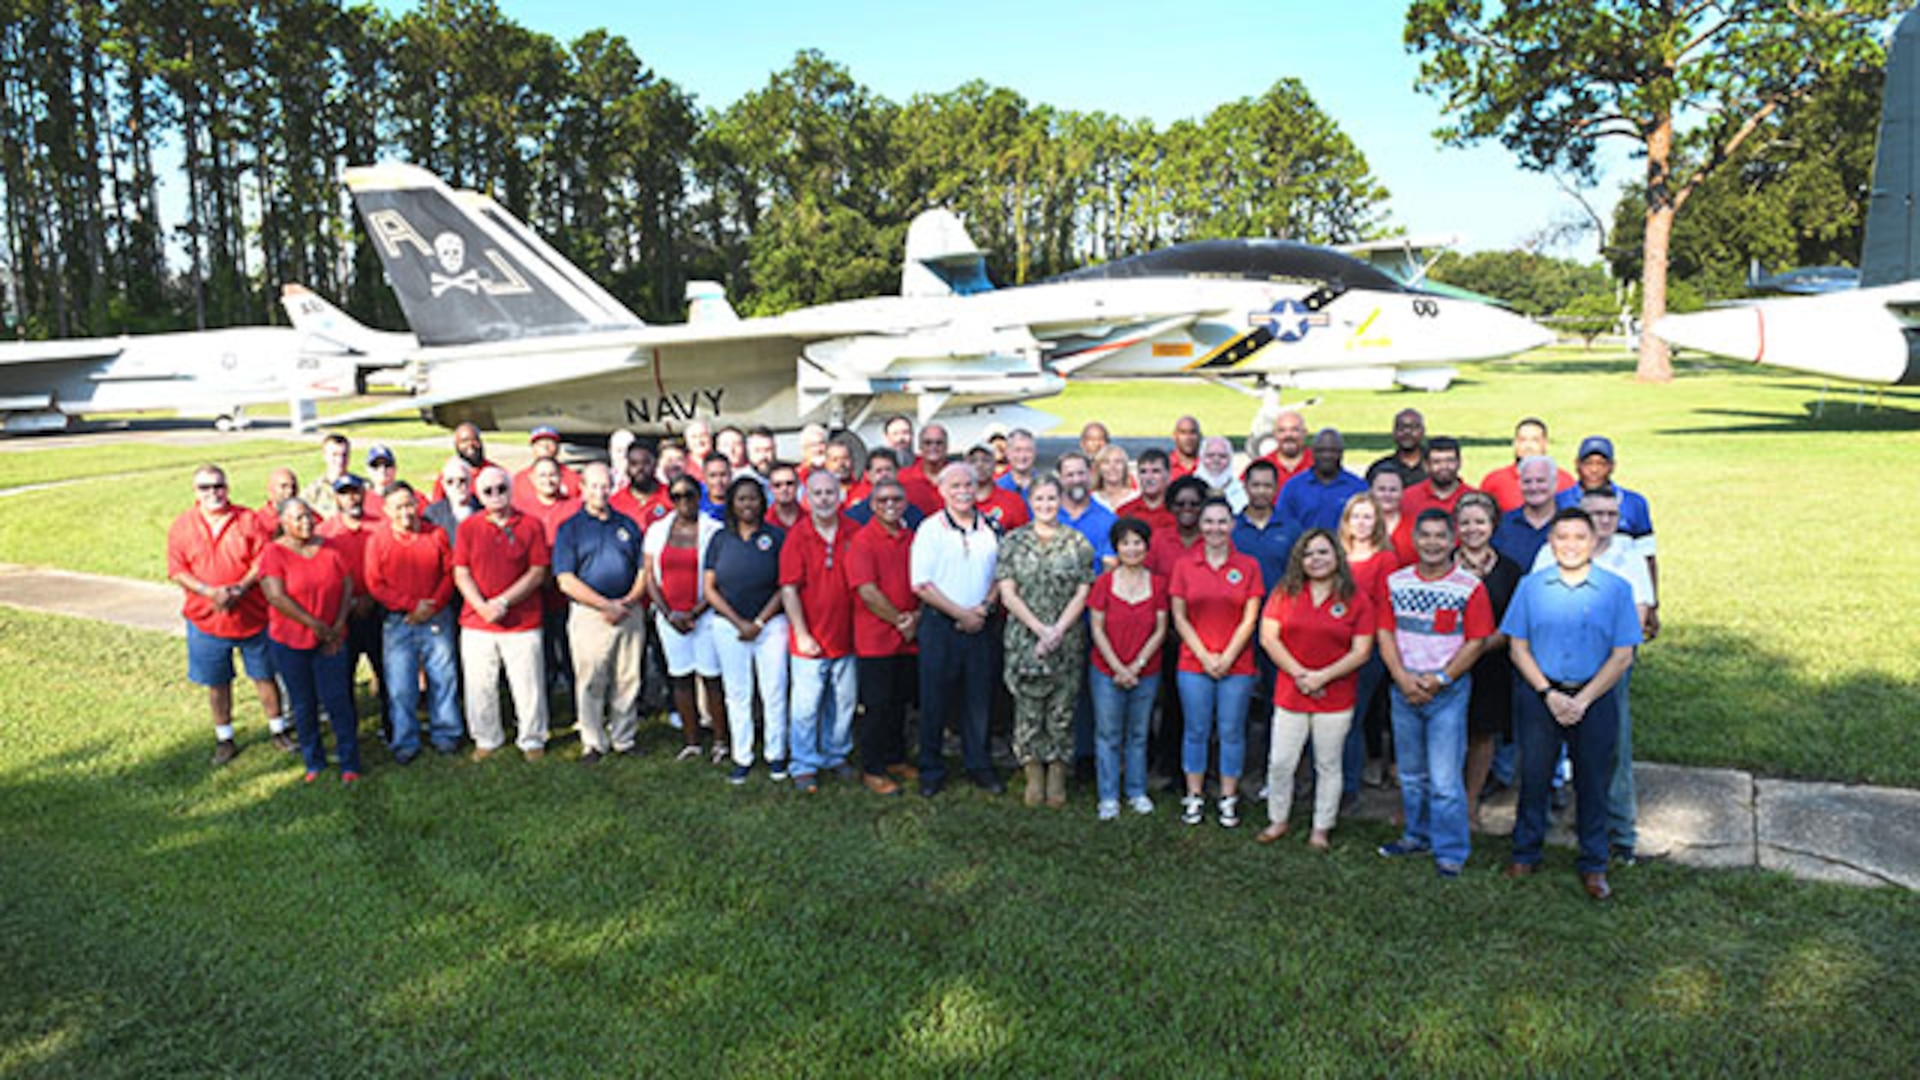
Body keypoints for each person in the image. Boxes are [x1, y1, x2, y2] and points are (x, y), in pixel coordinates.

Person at [1503, 507, 1641, 901]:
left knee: (1593, 781)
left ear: (1594, 542)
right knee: (1534, 776)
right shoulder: (1532, 587)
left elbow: (1622, 656)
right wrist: (1548, 693)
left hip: (1593, 698)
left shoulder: (1616, 590)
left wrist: (1581, 699)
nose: (1570, 546)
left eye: (1580, 538)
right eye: (1562, 537)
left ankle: (1594, 863)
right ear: (1551, 542)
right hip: (1541, 695)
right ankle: (1525, 852)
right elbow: (1517, 647)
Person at [1533, 486, 1656, 861]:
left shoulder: (1628, 555)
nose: (1604, 522)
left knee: (1612, 751)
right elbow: (1537, 611)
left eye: (1611, 515)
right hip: (1555, 668)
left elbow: (1634, 623)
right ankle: (1546, 816)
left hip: (1606, 671)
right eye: (1595, 515)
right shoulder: (1551, 551)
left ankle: (1620, 830)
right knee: (1545, 748)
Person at [1375, 509, 1494, 878]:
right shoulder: (1396, 582)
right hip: (1404, 687)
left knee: (1444, 779)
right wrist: (1401, 676)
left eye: (1439, 536)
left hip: (1447, 692)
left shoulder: (1469, 587)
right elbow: (1384, 633)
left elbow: (1476, 641)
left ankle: (1450, 850)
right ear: (1413, 540)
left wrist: (1441, 678)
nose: (1431, 543)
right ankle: (1416, 835)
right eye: (1424, 535)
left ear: (1453, 539)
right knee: (1410, 774)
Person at [1256, 528, 1375, 849]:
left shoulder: (1355, 598)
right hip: (1291, 692)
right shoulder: (1285, 591)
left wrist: (1321, 678)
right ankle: (1278, 819)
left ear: (1337, 556)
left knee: (1328, 763)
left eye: (1323, 552)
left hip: (1334, 697)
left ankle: (1321, 827)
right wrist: (1300, 675)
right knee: (1281, 761)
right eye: (1308, 553)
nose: (1316, 559)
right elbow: (1269, 637)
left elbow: (1362, 650)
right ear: (1299, 560)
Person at [167, 464, 289, 764]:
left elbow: (263, 560)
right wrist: (211, 593)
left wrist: (240, 589)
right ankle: (225, 738)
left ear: (227, 487)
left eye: (218, 486)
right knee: (217, 682)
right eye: (205, 488)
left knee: (265, 676)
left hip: (251, 616)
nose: (213, 493)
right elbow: (177, 570)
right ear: (195, 492)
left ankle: (278, 730)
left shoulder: (247, 519)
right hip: (206, 620)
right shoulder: (182, 525)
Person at [994, 475, 1096, 808]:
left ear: (1061, 501)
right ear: (1030, 502)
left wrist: (1057, 630)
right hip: (1026, 637)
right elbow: (1007, 593)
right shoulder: (1012, 542)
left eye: (1052, 499)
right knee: (1028, 708)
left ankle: (1057, 772)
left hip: (1065, 639)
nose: (1046, 506)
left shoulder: (1077, 543)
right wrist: (1040, 629)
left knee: (1062, 708)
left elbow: (1084, 590)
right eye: (1039, 499)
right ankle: (1032, 771)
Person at [1168, 498, 1263, 828]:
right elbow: (1179, 617)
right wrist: (1206, 656)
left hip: (1237, 665)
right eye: (1209, 522)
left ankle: (1227, 798)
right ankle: (1194, 796)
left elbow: (1250, 618)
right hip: (1195, 662)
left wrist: (1227, 655)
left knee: (1231, 731)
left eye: (1222, 522)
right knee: (1195, 730)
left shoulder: (1248, 565)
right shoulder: (1184, 564)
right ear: (1200, 525)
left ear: (1232, 525)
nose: (1215, 529)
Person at [910, 463, 1003, 796]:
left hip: (981, 624)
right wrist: (961, 614)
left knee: (978, 701)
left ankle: (979, 765)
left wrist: (984, 608)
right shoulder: (930, 529)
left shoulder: (990, 528)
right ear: (942, 490)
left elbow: (1000, 576)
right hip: (941, 625)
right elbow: (921, 584)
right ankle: (931, 770)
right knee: (934, 701)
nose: (963, 491)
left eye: (969, 485)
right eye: (955, 486)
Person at [258, 497, 360, 783]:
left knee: (338, 700)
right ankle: (314, 761)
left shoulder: (330, 548)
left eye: (308, 517)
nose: (306, 522)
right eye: (297, 518)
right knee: (304, 704)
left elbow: (347, 585)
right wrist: (315, 624)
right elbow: (276, 596)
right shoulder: (273, 553)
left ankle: (349, 762)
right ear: (283, 522)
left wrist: (338, 625)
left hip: (332, 639)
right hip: (291, 642)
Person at [452, 466, 551, 762]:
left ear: (511, 489)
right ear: (478, 495)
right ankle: (486, 737)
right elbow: (461, 571)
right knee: (479, 684)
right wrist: (481, 606)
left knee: (528, 685)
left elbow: (537, 572)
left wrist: (504, 602)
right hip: (477, 621)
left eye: (501, 489)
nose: (496, 495)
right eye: (488, 491)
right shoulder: (468, 527)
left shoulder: (531, 525)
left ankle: (532, 738)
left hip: (522, 621)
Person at [554, 463, 649, 764]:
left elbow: (643, 569)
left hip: (629, 610)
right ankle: (593, 742)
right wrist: (604, 605)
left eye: (605, 485)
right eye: (593, 486)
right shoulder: (570, 529)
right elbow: (565, 579)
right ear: (582, 489)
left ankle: (624, 737)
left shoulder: (628, 524)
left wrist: (628, 601)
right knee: (592, 679)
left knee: (628, 676)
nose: (600, 491)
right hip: (590, 615)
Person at [363, 481, 461, 762]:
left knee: (443, 678)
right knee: (400, 685)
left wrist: (432, 605)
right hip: (399, 620)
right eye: (398, 507)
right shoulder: (378, 541)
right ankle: (405, 740)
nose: (406, 512)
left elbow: (448, 572)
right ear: (386, 510)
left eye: (410, 505)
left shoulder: (436, 534)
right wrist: (410, 606)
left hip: (436, 615)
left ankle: (447, 734)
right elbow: (375, 583)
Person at [704, 475, 789, 779]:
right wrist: (739, 622)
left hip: (771, 625)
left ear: (762, 502)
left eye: (753, 498)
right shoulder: (719, 539)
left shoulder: (776, 537)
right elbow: (710, 588)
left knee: (774, 690)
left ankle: (776, 754)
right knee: (737, 692)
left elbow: (785, 587)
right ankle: (743, 756)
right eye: (741, 499)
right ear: (732, 503)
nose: (747, 504)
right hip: (729, 627)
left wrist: (759, 622)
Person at [780, 470, 860, 792]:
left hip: (848, 637)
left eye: (830, 492)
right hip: (810, 640)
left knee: (843, 704)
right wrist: (801, 633)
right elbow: (789, 589)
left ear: (840, 496)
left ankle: (835, 754)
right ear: (807, 498)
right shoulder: (797, 536)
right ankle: (803, 762)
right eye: (818, 493)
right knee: (806, 706)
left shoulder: (855, 532)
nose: (825, 499)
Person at [1087, 517, 1168, 819]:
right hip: (1107, 671)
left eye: (1137, 542)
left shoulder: (1158, 584)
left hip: (1145, 671)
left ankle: (1136, 790)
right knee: (1108, 734)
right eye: (1125, 543)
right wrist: (1118, 666)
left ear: (1146, 547)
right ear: (1116, 547)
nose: (1132, 549)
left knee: (1138, 733)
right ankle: (1108, 796)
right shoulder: (1104, 583)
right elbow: (1097, 628)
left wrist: (1137, 665)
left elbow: (1161, 629)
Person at [1453, 492, 1523, 827]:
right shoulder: (1443, 564)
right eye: (1465, 522)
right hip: (1446, 663)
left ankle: (1469, 802)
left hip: (1492, 663)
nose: (1472, 529)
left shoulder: (1509, 571)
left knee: (1482, 733)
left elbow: (1515, 623)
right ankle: (1439, 799)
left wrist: (1477, 647)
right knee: (1447, 734)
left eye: (1479, 521)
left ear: (1493, 525)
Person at [847, 478, 921, 796]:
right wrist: (900, 620)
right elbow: (867, 591)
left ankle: (895, 757)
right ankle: (873, 768)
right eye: (882, 500)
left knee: (899, 704)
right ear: (872, 505)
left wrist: (915, 618)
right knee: (876, 706)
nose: (890, 505)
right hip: (876, 639)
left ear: (904, 503)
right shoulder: (862, 541)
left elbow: (926, 580)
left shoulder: (914, 538)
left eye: (896, 499)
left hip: (909, 639)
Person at [646, 476, 726, 762]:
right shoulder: (657, 530)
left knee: (711, 678)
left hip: (703, 616)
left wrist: (695, 612)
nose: (683, 502)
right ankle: (691, 741)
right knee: (680, 678)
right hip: (670, 618)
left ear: (699, 497)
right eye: (676, 496)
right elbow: (649, 575)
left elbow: (719, 578)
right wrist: (668, 613)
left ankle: (719, 740)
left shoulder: (714, 530)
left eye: (689, 495)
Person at [1338, 491, 1399, 803]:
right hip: (1330, 646)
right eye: (1356, 517)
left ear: (1377, 523)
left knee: (1351, 717)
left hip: (1366, 648)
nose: (1361, 524)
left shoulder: (1385, 559)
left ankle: (1348, 787)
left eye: (1367, 517)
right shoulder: (1335, 555)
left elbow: (1385, 609)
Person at [1558, 436, 1659, 623]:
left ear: (1612, 466)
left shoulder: (1634, 502)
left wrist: (1652, 605)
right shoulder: (1561, 501)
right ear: (1577, 464)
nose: (1594, 469)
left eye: (1602, 463)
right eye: (1588, 463)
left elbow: (1648, 556)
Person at [316, 475, 384, 733]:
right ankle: (347, 733)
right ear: (336, 498)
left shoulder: (380, 526)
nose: (351, 498)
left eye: (355, 492)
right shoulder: (325, 532)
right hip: (342, 616)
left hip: (376, 609)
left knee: (385, 673)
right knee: (342, 678)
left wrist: (371, 596)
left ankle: (390, 728)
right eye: (344, 493)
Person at [1278, 429, 1368, 534]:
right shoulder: (1293, 487)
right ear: (1312, 452)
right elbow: (1282, 525)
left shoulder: (1358, 487)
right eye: (1321, 450)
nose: (1327, 456)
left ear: (1341, 453)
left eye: (1332, 451)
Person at [1479, 417, 1576, 513]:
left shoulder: (1564, 481)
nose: (1528, 446)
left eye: (1535, 440)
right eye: (1522, 440)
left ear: (1545, 443)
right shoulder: (1494, 482)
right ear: (1515, 443)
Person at [1232, 460, 1294, 593]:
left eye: (1267, 486)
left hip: (1279, 607)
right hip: (1239, 608)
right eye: (1255, 485)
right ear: (1245, 487)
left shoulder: (1291, 528)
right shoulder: (1231, 527)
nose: (1261, 491)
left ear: (1276, 488)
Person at [1491, 455, 1560, 570]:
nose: (1534, 487)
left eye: (1541, 481)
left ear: (1555, 483)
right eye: (1527, 481)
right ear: (1519, 485)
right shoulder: (1503, 524)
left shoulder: (1568, 524)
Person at [1056, 452, 1117, 571]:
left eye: (1081, 473)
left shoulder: (1107, 520)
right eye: (1070, 475)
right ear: (1060, 478)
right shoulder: (1047, 515)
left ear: (1090, 474)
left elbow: (1109, 569)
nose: (1076, 480)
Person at [1401, 435, 1474, 520]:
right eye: (1437, 462)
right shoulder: (1408, 497)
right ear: (1426, 465)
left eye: (1449, 460)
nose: (1444, 467)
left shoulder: (1473, 498)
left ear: (1459, 463)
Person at [1147, 476, 1206, 576]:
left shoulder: (1214, 538)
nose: (1187, 508)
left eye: (1194, 504)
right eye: (1180, 504)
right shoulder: (1158, 539)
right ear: (1171, 506)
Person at [429, 422, 498, 503]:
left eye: (474, 439)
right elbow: (437, 506)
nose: (470, 444)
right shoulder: (449, 475)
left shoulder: (495, 472)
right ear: (456, 446)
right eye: (464, 441)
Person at [968, 444, 1030, 532]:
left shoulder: (1013, 501)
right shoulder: (957, 502)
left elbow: (1024, 538)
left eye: (985, 460)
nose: (979, 465)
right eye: (973, 461)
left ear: (994, 464)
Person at [610, 441, 671, 528]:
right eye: (634, 463)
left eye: (646, 463)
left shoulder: (671, 497)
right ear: (627, 466)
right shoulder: (615, 502)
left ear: (656, 463)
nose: (640, 469)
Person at [423, 458, 478, 550]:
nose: (457, 486)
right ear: (443, 485)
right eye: (450, 482)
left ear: (471, 481)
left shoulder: (484, 510)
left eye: (462, 480)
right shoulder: (432, 514)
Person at [301, 432, 359, 519]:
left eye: (344, 455)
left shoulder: (363, 487)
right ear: (324, 455)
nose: (340, 460)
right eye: (335, 455)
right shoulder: (312, 492)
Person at [1367, 408, 1428, 486]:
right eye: (1401, 427)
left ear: (1423, 431)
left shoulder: (1435, 467)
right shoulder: (1380, 468)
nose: (1407, 432)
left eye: (1413, 427)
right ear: (1394, 432)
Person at [1367, 465, 1414, 565]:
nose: (1387, 495)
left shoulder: (1414, 527)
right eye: (1381, 489)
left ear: (1402, 492)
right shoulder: (1360, 525)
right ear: (1371, 491)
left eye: (1393, 490)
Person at [901, 424, 950, 515]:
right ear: (920, 446)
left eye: (939, 443)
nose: (933, 447)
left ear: (947, 446)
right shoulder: (903, 478)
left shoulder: (958, 475)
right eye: (928, 443)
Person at [1259, 409, 1314, 487]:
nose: (1288, 435)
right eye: (1282, 431)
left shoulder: (1318, 463)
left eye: (1295, 430)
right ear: (1274, 434)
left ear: (1304, 433)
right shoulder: (1262, 465)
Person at [1192, 435, 1247, 511]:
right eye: (1210, 456)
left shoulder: (1241, 490)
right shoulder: (1191, 486)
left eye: (1222, 456)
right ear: (1201, 457)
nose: (1216, 460)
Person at [1128, 448, 1175, 536]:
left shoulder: (1179, 512)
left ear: (1168, 475)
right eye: (1143, 472)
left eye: (1155, 471)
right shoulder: (1125, 513)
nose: (1149, 478)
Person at [997, 428, 1039, 504]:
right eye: (1017, 450)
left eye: (1028, 450)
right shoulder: (998, 488)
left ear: (1035, 453)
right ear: (1007, 453)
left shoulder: (1047, 486)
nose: (1022, 456)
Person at [255, 467, 299, 536]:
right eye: (284, 486)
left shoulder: (309, 516)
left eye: (293, 486)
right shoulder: (259, 521)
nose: (290, 491)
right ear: (270, 488)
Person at [1091, 444, 1136, 511]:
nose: (1112, 467)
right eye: (1106, 462)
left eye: (1118, 462)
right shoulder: (1091, 501)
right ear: (1099, 468)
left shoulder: (1136, 498)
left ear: (1125, 467)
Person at [363, 444, 400, 521]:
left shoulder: (412, 497)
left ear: (395, 468)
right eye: (376, 465)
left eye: (387, 465)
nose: (382, 469)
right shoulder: (362, 501)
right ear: (368, 470)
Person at [766, 462, 806, 530]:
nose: (784, 489)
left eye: (789, 483)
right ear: (770, 488)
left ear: (798, 485)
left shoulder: (812, 520)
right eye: (777, 485)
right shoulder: (764, 521)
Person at [698, 452, 732, 520]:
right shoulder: (696, 502)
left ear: (730, 475)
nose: (718, 481)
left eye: (723, 475)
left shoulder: (739, 503)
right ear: (704, 477)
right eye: (712, 476)